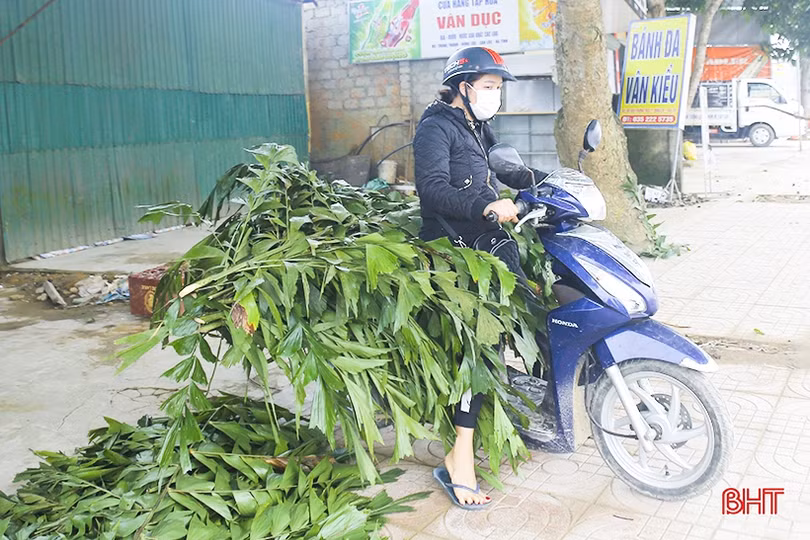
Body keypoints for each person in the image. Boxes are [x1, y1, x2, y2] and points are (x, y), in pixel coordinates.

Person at [413, 47, 547, 510]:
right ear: (463, 87)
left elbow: (505, 167)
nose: (496, 94)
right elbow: (431, 189)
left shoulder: (477, 126)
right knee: (481, 344)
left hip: (485, 237)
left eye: (498, 87)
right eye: (489, 86)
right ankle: (460, 458)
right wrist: (485, 205)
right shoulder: (435, 128)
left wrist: (547, 182)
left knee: (533, 305)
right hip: (454, 246)